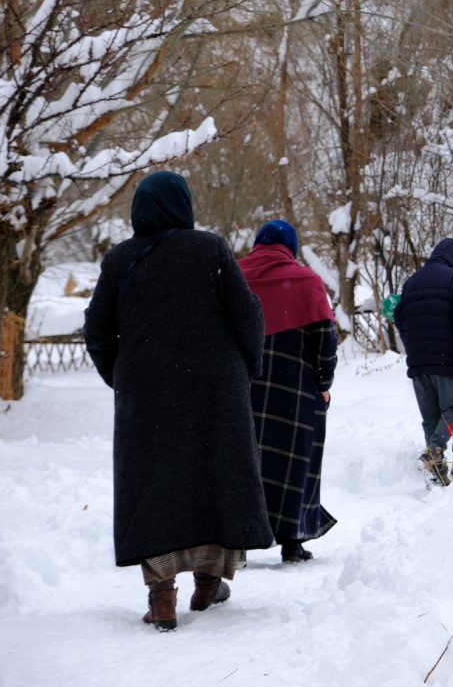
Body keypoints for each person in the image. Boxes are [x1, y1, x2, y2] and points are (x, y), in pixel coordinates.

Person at [83, 170, 273, 632]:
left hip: (146, 392)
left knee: (155, 484)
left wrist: (124, 377)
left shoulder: (119, 260)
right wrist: (246, 369)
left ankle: (162, 596)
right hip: (215, 387)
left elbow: (96, 331)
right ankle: (208, 583)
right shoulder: (209, 249)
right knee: (215, 477)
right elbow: (247, 314)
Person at [238, 221, 338, 563]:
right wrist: (323, 384)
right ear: (291, 247)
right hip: (294, 387)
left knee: (242, 461)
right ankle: (292, 539)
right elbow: (325, 339)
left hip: (242, 388)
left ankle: (237, 539)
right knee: (294, 460)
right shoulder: (306, 281)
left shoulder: (234, 277)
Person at [393, 238, 453, 485]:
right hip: (445, 359)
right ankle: (434, 449)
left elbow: (399, 316)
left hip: (418, 361)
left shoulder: (411, 282)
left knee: (430, 417)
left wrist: (412, 345)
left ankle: (437, 474)